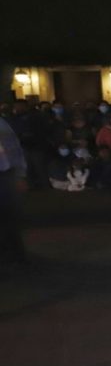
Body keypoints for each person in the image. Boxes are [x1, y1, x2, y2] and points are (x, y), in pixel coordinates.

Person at [0, 114, 28, 265]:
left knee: (7, 217)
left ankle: (15, 254)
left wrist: (19, 175)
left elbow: (14, 150)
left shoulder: (1, 125)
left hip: (4, 176)